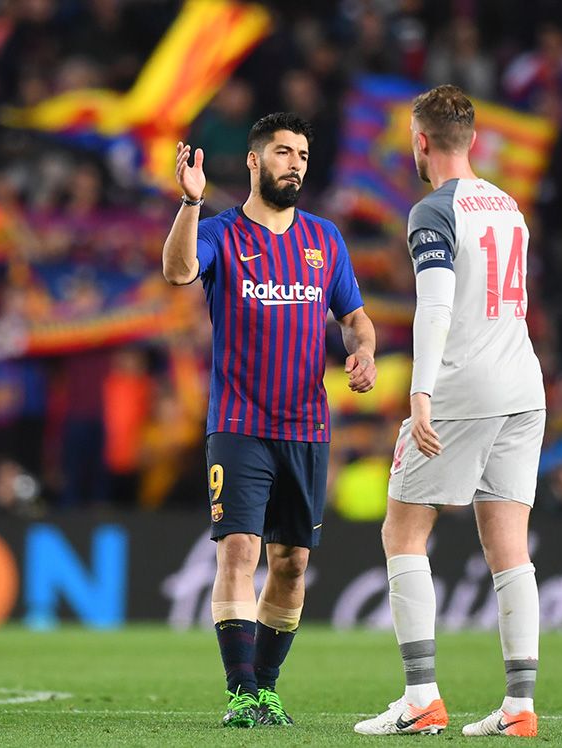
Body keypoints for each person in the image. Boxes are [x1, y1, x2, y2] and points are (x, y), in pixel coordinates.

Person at [162, 113, 377, 728]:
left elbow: (355, 319)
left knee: (291, 563)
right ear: (254, 162)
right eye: (283, 153)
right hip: (238, 422)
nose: (296, 164)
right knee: (239, 550)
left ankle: (269, 686)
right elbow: (178, 272)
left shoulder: (325, 240)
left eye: (303, 155)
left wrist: (362, 350)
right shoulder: (223, 233)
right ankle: (241, 692)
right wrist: (189, 202)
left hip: (306, 426)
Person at [353, 85, 545, 738]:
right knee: (508, 546)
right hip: (525, 383)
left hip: (466, 383)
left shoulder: (433, 210)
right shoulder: (510, 207)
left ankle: (421, 699)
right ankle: (519, 708)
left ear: (422, 141)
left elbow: (434, 307)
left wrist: (420, 395)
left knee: (402, 534)